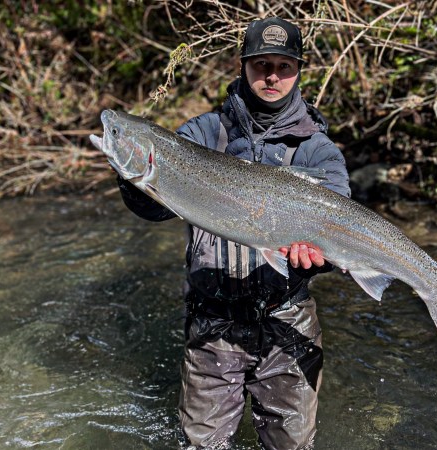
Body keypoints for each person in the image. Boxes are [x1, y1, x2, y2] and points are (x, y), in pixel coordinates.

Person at [116, 17, 350, 450]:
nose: (273, 76)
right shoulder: (203, 134)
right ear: (242, 65)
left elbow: (339, 244)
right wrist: (132, 174)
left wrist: (322, 260)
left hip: (287, 322)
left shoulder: (319, 150)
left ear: (299, 71)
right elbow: (152, 209)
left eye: (284, 65)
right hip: (212, 324)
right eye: (262, 64)